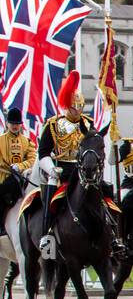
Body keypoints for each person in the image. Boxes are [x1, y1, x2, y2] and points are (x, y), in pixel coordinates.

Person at [36, 72, 93, 258]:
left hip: (82, 171)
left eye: (80, 106)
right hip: (59, 171)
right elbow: (43, 152)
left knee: (104, 197)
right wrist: (51, 168)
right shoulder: (53, 124)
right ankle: (47, 242)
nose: (78, 110)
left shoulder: (88, 124)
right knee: (50, 204)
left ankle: (113, 238)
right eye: (74, 107)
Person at [2, 106, 36, 172]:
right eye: (12, 124)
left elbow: (32, 159)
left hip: (20, 178)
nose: (15, 126)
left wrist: (20, 166)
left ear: (20, 125)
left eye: (17, 124)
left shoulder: (27, 142)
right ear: (7, 124)